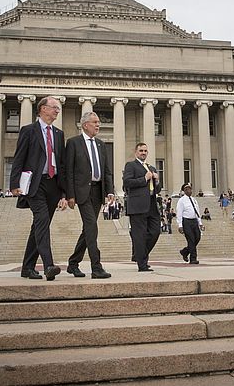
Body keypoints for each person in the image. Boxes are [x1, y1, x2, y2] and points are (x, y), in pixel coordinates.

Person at [10, 96, 68, 281]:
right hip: (35, 185)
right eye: (54, 108)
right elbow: (19, 158)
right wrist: (14, 184)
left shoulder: (59, 134)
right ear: (43, 109)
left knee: (39, 226)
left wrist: (65, 193)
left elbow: (62, 164)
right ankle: (49, 265)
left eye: (58, 109)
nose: (57, 111)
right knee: (42, 220)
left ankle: (27, 268)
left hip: (53, 185)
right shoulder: (28, 131)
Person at [64, 111, 112, 279]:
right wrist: (69, 195)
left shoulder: (101, 144)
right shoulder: (73, 143)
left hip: (98, 191)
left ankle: (73, 263)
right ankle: (96, 267)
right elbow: (68, 171)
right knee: (92, 227)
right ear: (85, 125)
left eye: (98, 122)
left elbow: (107, 170)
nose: (98, 125)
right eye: (95, 122)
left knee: (88, 230)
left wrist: (110, 191)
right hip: (82, 192)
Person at [123, 142, 162, 272]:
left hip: (151, 204)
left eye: (145, 151)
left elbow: (158, 189)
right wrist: (144, 179)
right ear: (136, 152)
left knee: (155, 231)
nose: (143, 153)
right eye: (141, 151)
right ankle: (142, 263)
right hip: (137, 205)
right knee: (139, 235)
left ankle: (139, 254)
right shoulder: (131, 165)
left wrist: (156, 181)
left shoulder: (151, 168)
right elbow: (127, 183)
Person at [177, 183, 205, 264]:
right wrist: (180, 225)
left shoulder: (194, 200)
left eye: (190, 189)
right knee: (191, 240)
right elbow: (179, 213)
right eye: (187, 189)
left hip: (194, 221)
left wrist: (200, 223)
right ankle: (193, 258)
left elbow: (197, 212)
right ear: (184, 191)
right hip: (186, 221)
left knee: (197, 237)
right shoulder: (181, 200)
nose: (189, 191)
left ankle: (185, 251)